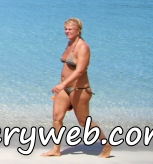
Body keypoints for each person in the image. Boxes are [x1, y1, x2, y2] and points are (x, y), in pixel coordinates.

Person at [41, 18, 111, 158]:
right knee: (57, 117)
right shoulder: (69, 44)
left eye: (70, 29)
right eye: (66, 29)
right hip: (64, 89)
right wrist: (62, 85)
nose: (67, 31)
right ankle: (56, 149)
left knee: (83, 122)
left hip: (79, 89)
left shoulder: (83, 47)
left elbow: (79, 71)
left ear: (78, 30)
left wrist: (62, 84)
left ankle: (106, 145)